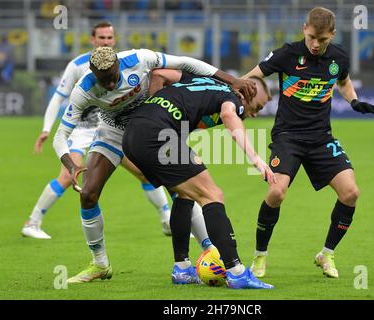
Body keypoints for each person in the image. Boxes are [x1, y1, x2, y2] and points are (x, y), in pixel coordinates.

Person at [52, 46, 257, 283]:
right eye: (103, 82)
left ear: (119, 64)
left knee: (183, 189)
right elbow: (61, 136)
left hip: (152, 125)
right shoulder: (83, 91)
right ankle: (100, 263)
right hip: (113, 131)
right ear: (92, 73)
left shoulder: (139, 59)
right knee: (88, 194)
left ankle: (208, 252)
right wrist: (70, 165)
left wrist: (234, 80)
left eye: (113, 79)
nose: (109, 86)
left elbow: (186, 62)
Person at [243, 7, 374, 279]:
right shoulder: (287, 54)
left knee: (351, 193)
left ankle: (326, 254)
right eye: (311, 38)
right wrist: (237, 96)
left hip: (321, 137)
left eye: (322, 40)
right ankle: (260, 257)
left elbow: (342, 81)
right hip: (287, 137)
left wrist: (353, 101)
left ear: (332, 35)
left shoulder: (339, 57)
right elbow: (250, 76)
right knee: (276, 193)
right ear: (304, 28)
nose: (316, 45)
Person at [123, 69, 275, 289]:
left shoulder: (204, 80)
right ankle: (236, 272)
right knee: (213, 195)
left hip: (133, 134)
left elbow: (159, 75)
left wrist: (154, 109)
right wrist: (256, 159)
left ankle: (182, 268)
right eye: (257, 107)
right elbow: (229, 115)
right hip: (156, 135)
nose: (254, 114)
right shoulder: (233, 98)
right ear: (247, 93)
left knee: (184, 194)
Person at [21, 22, 175, 239]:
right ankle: (32, 222)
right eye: (101, 38)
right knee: (69, 174)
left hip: (112, 129)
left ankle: (167, 220)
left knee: (144, 172)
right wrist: (47, 128)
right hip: (83, 130)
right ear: (92, 40)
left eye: (109, 38)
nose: (106, 42)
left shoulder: (124, 63)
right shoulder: (77, 65)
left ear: (114, 40)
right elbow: (58, 98)